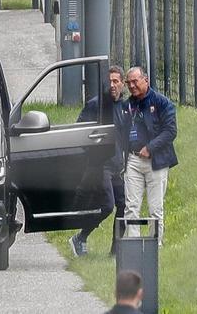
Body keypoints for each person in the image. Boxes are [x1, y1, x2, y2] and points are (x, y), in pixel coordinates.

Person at [69, 66, 127, 257]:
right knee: (108, 205)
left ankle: (115, 251)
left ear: (123, 84)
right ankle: (81, 237)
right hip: (101, 165)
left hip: (118, 166)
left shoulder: (126, 107)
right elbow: (79, 131)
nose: (112, 85)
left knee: (124, 206)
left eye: (116, 81)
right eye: (109, 81)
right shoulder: (95, 105)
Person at [121, 66, 177, 246]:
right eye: (128, 83)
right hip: (133, 160)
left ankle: (155, 246)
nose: (131, 86)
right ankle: (133, 245)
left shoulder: (162, 103)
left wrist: (150, 148)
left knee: (155, 208)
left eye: (135, 81)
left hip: (156, 162)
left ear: (146, 80)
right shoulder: (127, 105)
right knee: (131, 206)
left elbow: (170, 131)